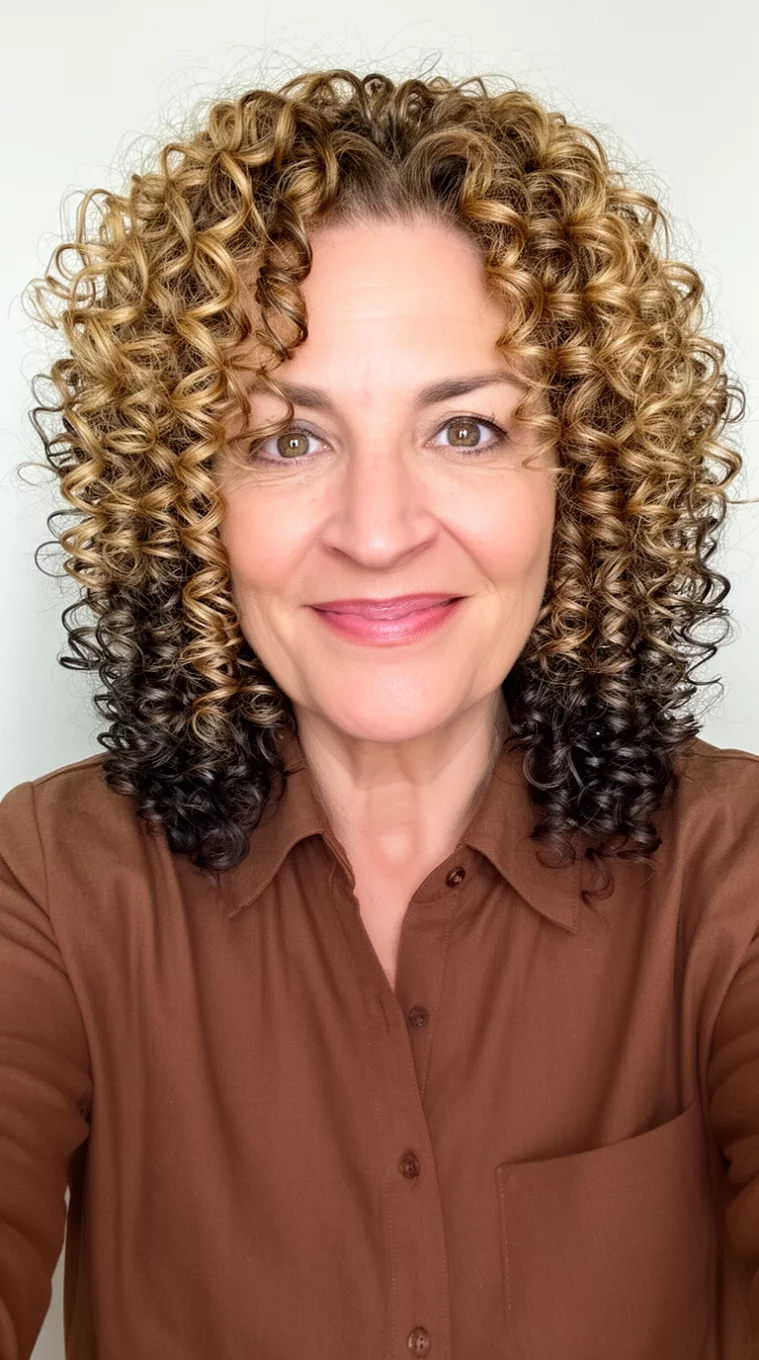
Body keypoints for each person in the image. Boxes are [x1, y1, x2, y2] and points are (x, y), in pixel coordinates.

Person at [1, 66, 757, 1360]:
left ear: (582, 476)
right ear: (187, 493)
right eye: (286, 441)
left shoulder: (728, 868)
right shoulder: (56, 881)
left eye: (463, 431)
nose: (377, 530)